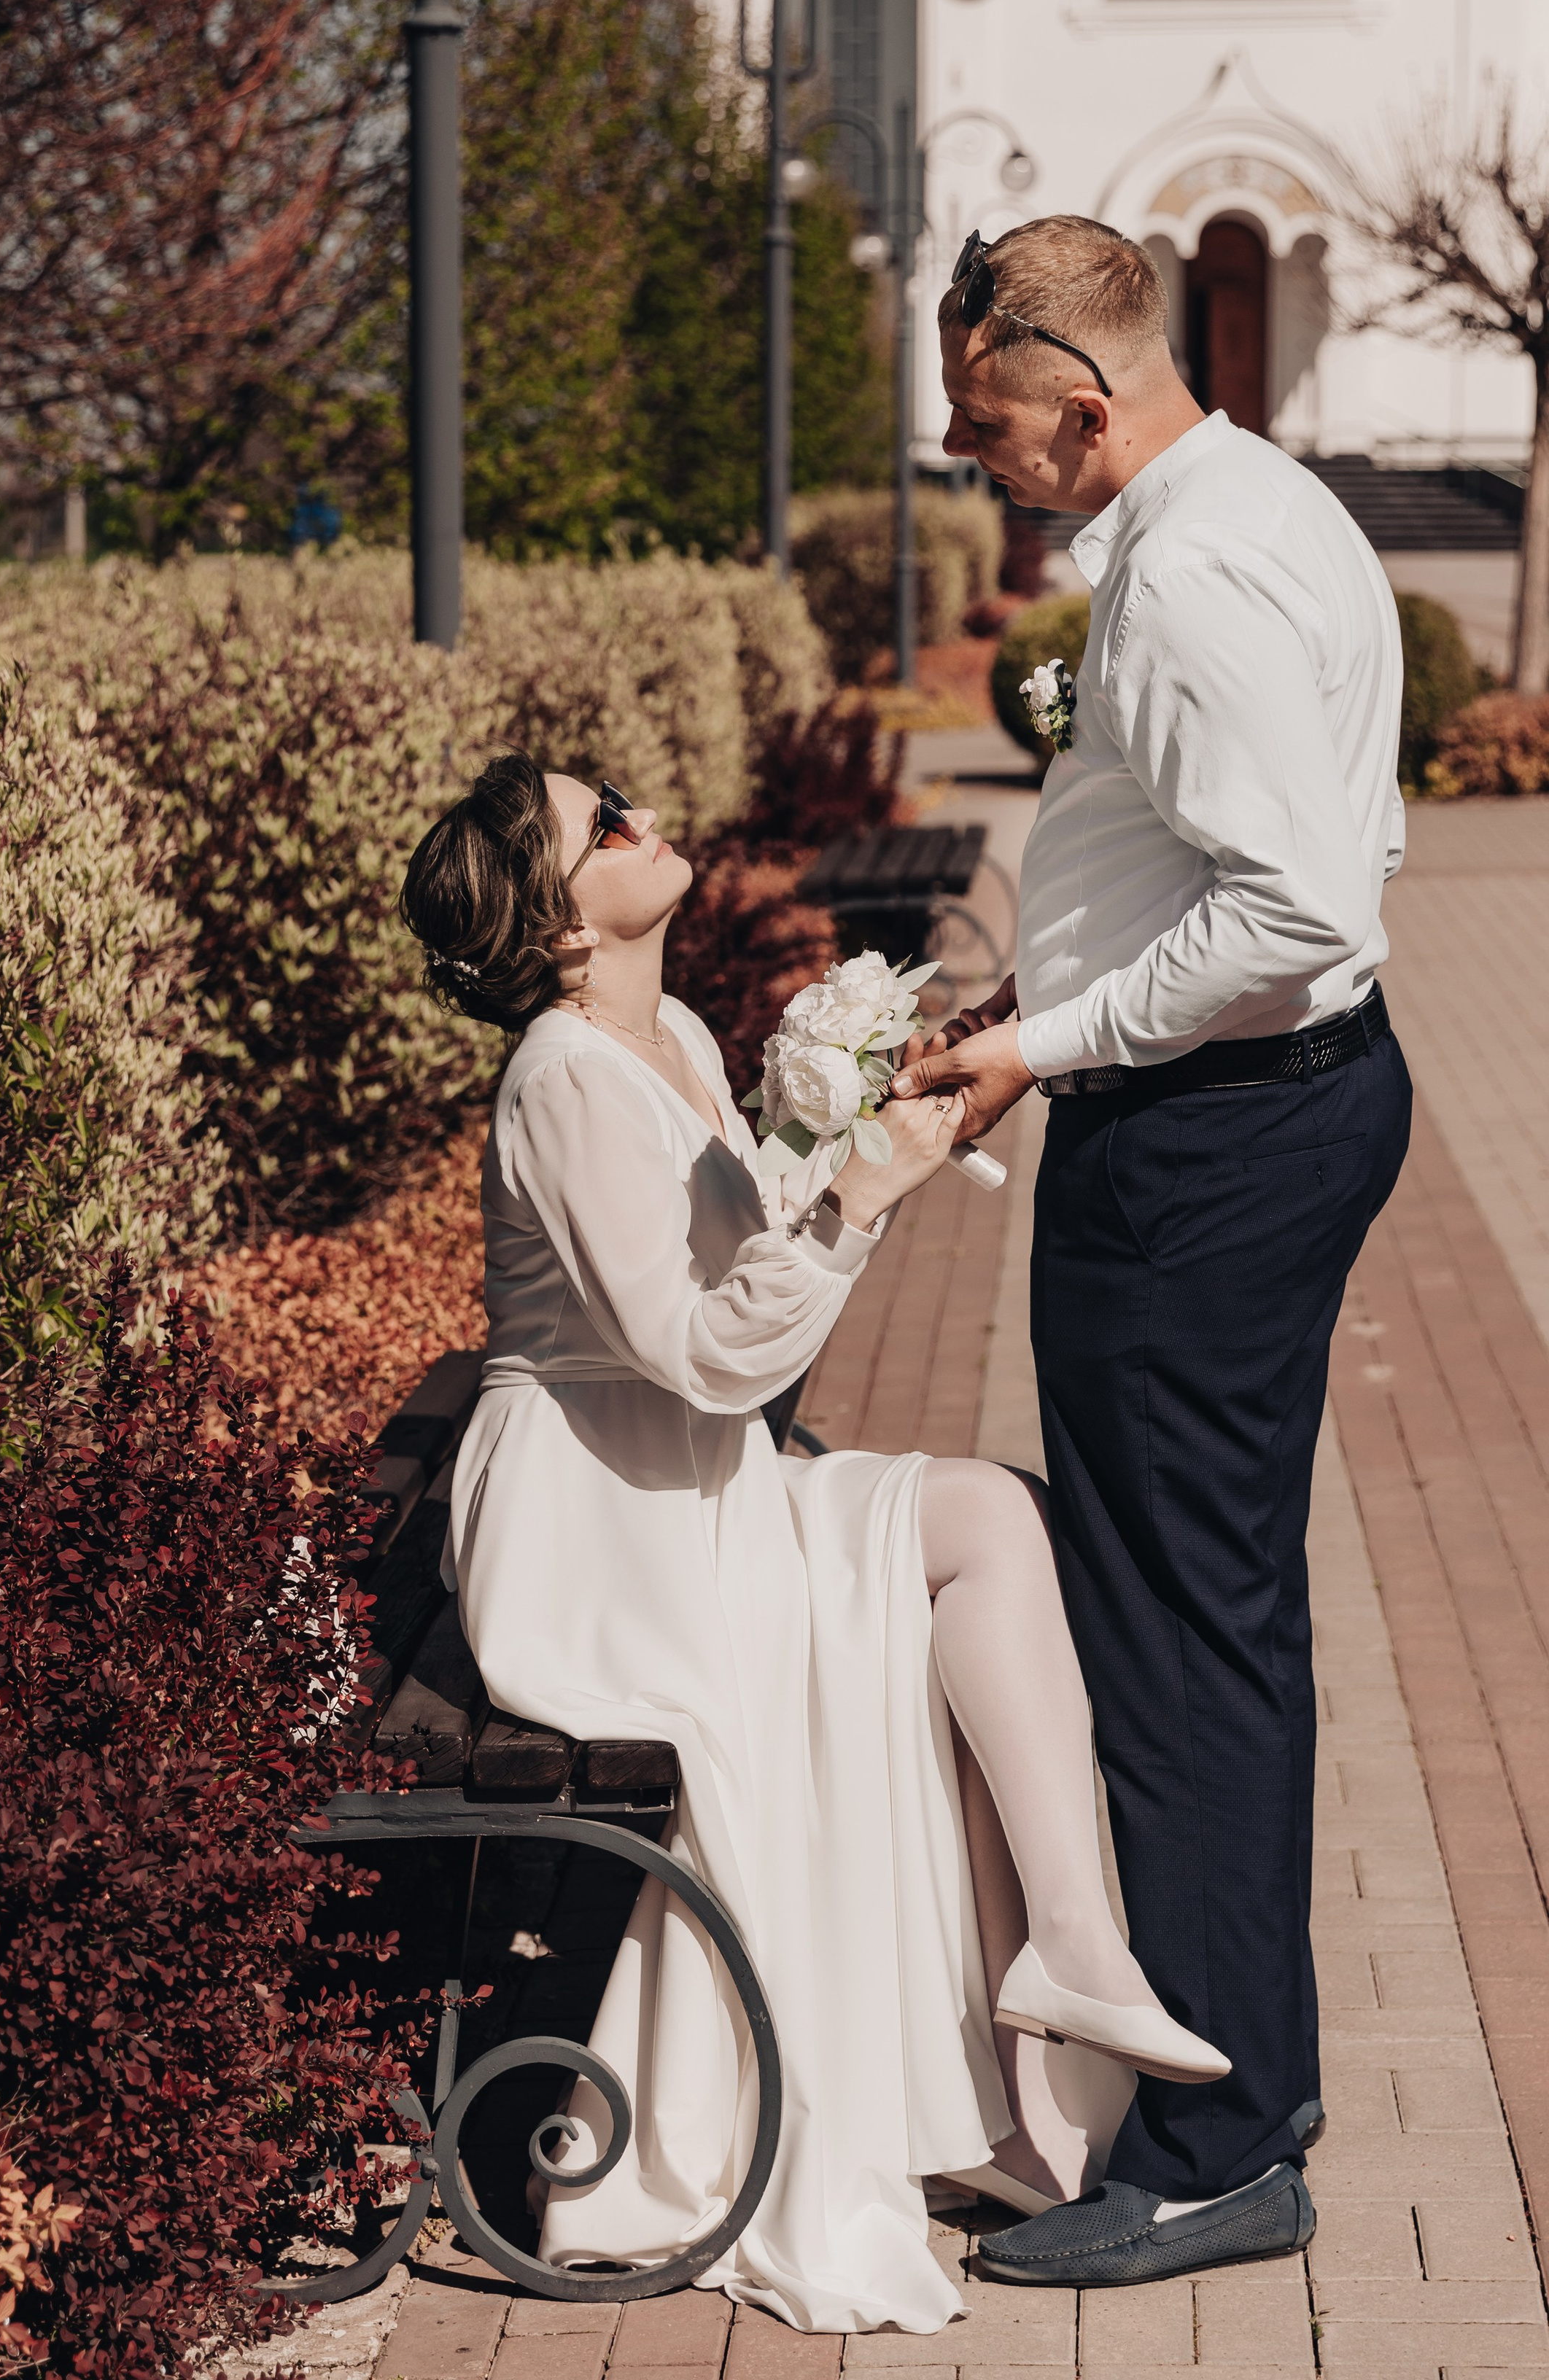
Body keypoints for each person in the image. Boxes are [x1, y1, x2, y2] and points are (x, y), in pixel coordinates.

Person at [399, 755, 1226, 2336]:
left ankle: (1064, 1951)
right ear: (559, 911)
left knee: (985, 1517)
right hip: (600, 1520)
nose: (642, 821)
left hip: (697, 1476)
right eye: (604, 824)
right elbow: (695, 1349)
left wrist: (851, 1136)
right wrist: (853, 1195)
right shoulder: (562, 1078)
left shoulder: (677, 1037)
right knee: (899, 1595)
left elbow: (748, 1261)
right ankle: (1007, 2084)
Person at [891, 216, 1413, 2287]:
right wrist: (1056, 996)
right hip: (1256, 1117)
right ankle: (1246, 2078)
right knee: (1219, 1617)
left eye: (978, 410)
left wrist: (1039, 1036)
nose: (963, 444)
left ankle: (1205, 2151)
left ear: (1081, 402)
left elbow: (1300, 909)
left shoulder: (1187, 572)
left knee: (1173, 1631)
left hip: (1206, 1148)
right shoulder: (1258, 501)